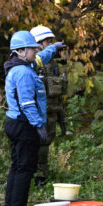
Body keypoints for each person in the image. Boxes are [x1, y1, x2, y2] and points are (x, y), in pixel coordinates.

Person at [3, 30, 63, 206]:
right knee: (26, 167)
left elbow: (41, 58)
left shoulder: (21, 66)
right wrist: (38, 126)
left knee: (18, 165)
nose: (36, 51)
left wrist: (53, 48)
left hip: (15, 122)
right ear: (21, 51)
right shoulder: (23, 73)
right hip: (24, 125)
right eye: (32, 49)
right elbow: (27, 103)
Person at [30, 25, 68, 187]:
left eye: (52, 41)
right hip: (37, 112)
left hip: (52, 111)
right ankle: (36, 176)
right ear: (38, 43)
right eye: (47, 41)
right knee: (37, 145)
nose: (51, 44)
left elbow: (57, 93)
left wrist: (62, 118)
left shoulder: (53, 65)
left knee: (45, 144)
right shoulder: (34, 62)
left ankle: (40, 176)